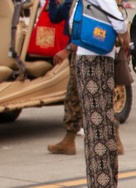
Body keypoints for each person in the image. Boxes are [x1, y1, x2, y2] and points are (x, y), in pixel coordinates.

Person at [74, 0, 136, 188]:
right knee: (99, 129)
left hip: (92, 58)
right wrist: (126, 38)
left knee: (101, 127)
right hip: (95, 61)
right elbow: (119, 22)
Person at [45, 0, 81, 156]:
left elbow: (84, 30)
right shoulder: (71, 3)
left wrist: (67, 49)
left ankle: (69, 140)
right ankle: (115, 139)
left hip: (83, 55)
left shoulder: (85, 3)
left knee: (73, 97)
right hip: (84, 54)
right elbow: (54, 16)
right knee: (99, 99)